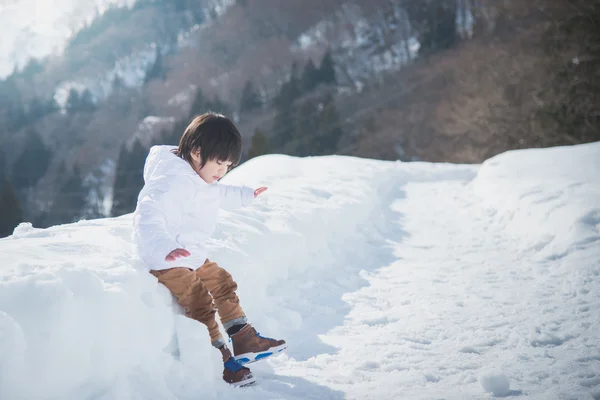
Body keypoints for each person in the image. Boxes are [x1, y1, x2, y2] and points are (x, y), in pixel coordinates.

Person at [132, 112, 287, 387]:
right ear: (196, 151)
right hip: (165, 258)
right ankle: (221, 359)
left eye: (228, 165)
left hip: (189, 253)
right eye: (219, 163)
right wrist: (165, 246)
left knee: (223, 282)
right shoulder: (172, 181)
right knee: (200, 299)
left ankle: (243, 338)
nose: (222, 171)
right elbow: (149, 215)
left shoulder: (201, 178)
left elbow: (219, 193)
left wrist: (245, 195)